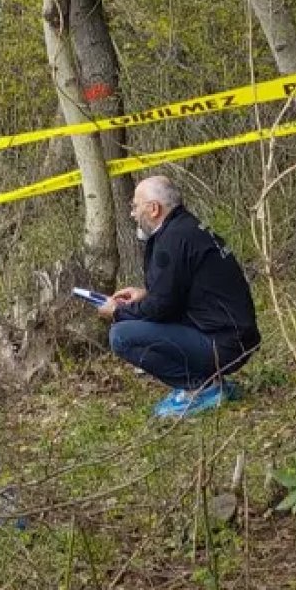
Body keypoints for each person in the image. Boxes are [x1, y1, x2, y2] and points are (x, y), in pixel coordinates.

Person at [97, 175, 260, 418]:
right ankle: (207, 382)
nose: (132, 214)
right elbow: (180, 291)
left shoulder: (173, 239)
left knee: (121, 336)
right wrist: (144, 295)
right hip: (233, 337)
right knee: (133, 324)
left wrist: (118, 311)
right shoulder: (186, 228)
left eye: (135, 206)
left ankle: (201, 387)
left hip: (223, 344)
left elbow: (162, 308)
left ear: (154, 209)